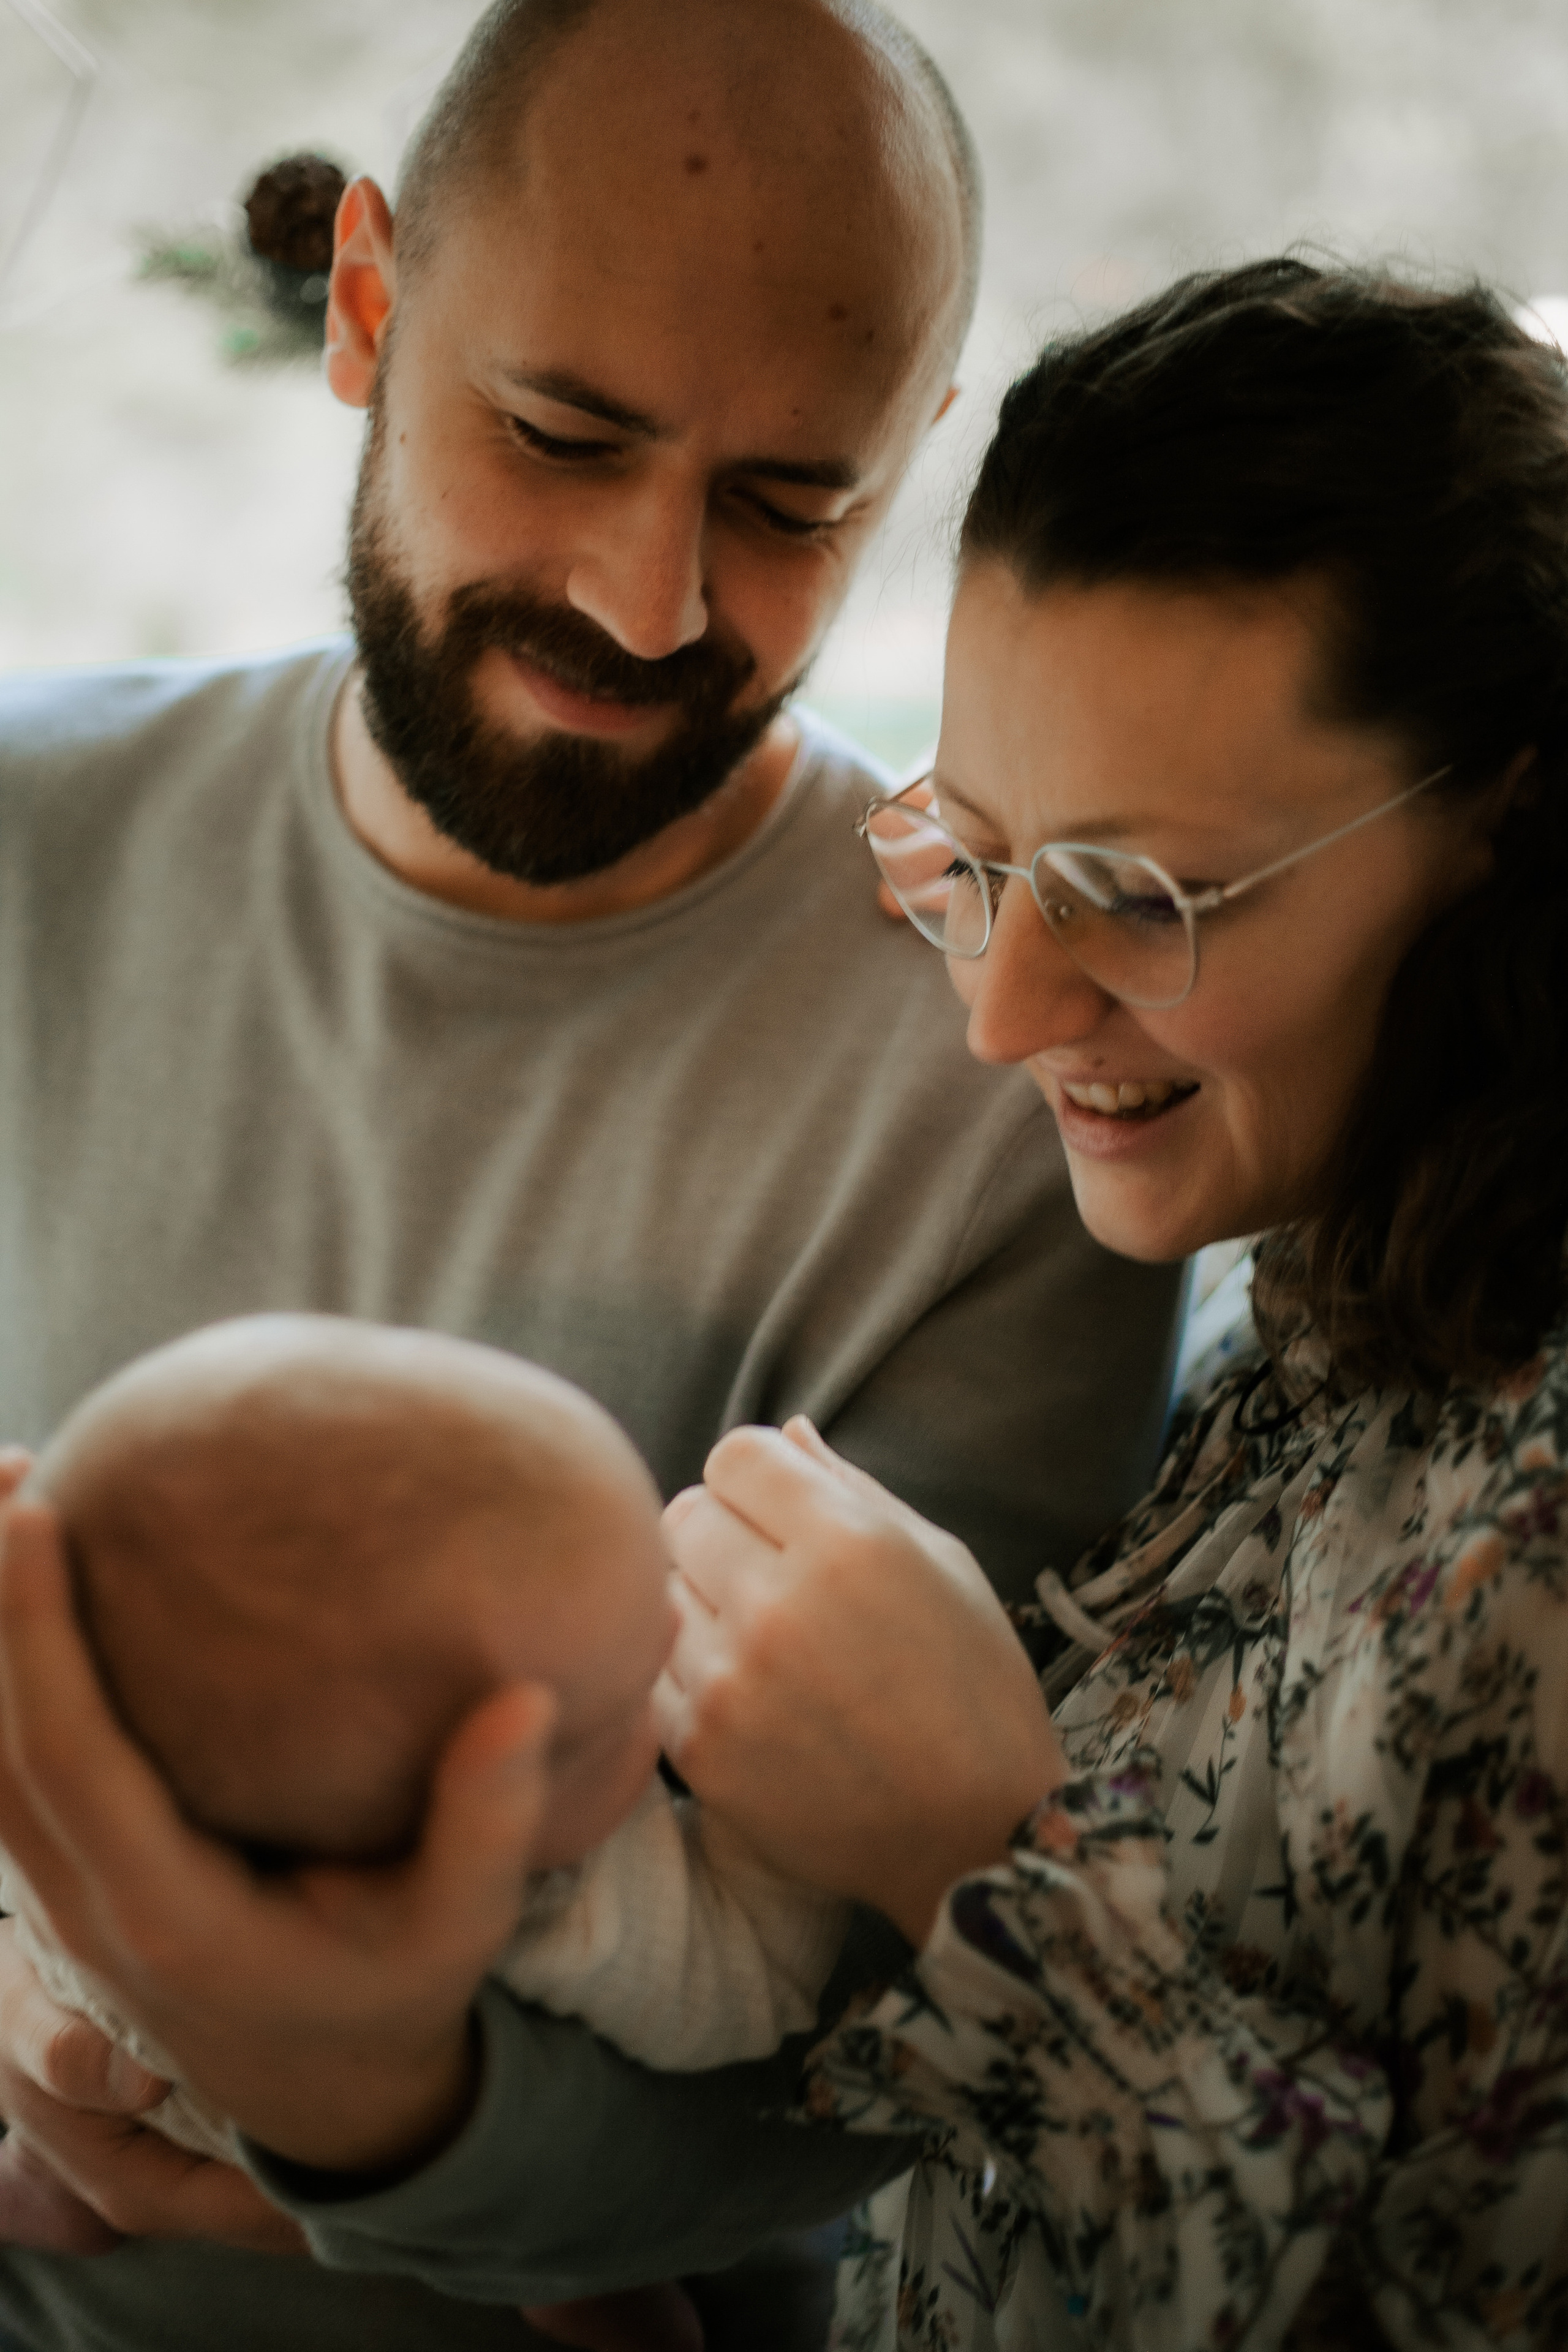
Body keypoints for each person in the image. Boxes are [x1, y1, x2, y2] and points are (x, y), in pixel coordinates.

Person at [0, 0, 1183, 2343]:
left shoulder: (1008, 1082)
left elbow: (874, 2074)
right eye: (560, 435)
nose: (652, 603)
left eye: (791, 505)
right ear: (366, 305)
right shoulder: (32, 852)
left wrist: (324, 2124)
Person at [644, 258, 1568, 2348]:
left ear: (1514, 825)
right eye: (971, 853)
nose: (1001, 1017)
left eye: (1141, 898)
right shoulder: (1322, 1291)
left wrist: (978, 1859)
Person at [0, 1316, 857, 2352]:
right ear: (488, 1814)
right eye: (628, 1697)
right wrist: (793, 1806)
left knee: (68, 2067)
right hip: (263, 2116)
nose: (676, 1631)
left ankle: (38, 2178)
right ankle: (581, 2298)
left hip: (76, 1971)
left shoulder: (75, 1760)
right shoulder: (574, 1910)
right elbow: (765, 1988)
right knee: (524, 2204)